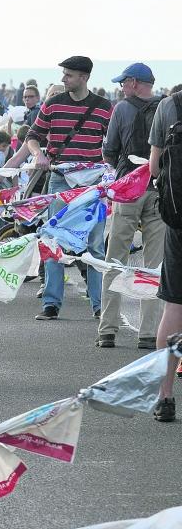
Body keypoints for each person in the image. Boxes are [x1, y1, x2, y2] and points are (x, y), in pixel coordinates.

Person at [26, 56, 113, 321]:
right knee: (55, 241)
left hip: (93, 184)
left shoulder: (103, 107)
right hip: (60, 180)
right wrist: (38, 154)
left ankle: (100, 306)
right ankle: (51, 304)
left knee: (95, 246)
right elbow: (33, 136)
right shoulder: (52, 104)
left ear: (84, 77)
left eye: (69, 75)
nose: (63, 79)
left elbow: (112, 144)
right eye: (64, 74)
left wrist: (108, 169)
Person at [98, 63, 164, 350]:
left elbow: (110, 150)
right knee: (155, 264)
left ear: (135, 83)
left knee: (115, 259)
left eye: (124, 82)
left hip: (128, 190)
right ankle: (148, 331)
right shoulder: (168, 107)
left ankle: (107, 329)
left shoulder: (122, 109)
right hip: (160, 190)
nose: (121, 87)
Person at [151, 88, 182, 422]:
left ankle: (166, 396)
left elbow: (155, 167)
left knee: (174, 306)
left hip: (180, 222)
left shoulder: (170, 105)